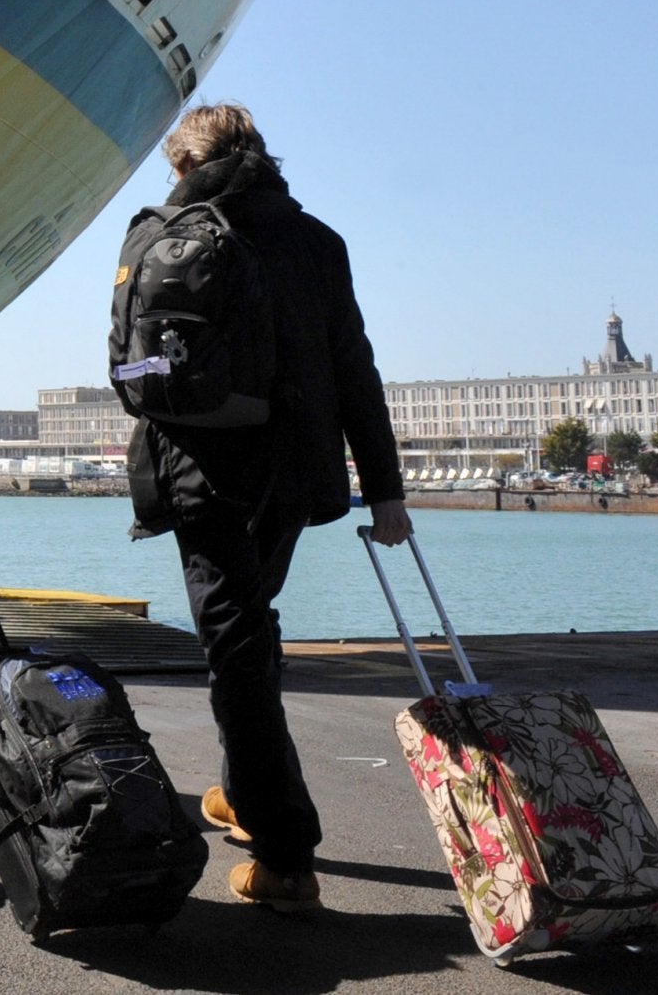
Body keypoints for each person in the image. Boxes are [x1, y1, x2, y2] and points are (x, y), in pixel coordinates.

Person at [121, 104, 409, 913]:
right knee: (251, 626)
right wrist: (383, 489)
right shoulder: (318, 242)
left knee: (236, 648)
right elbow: (356, 368)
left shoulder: (179, 228)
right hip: (291, 473)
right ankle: (241, 792)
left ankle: (286, 859)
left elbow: (137, 363)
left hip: (205, 467)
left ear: (186, 165)